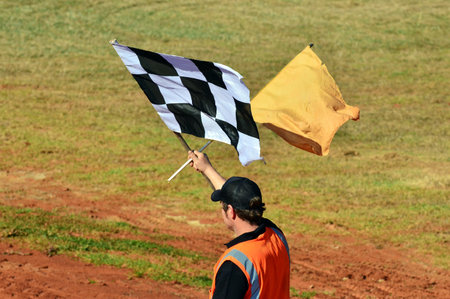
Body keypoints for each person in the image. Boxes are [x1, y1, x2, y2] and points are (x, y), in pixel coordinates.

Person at [188, 150, 290, 299]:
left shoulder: (235, 264)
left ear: (230, 211)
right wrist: (207, 169)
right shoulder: (276, 235)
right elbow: (238, 198)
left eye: (222, 205)